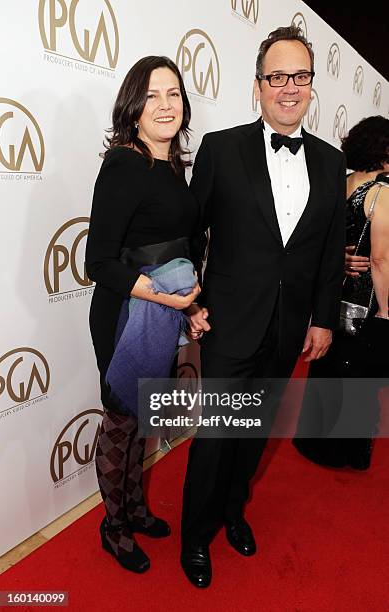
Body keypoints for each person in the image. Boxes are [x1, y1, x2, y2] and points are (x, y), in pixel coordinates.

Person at [180, 25, 346, 588]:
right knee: (218, 434)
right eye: (277, 77)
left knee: (255, 431)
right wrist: (189, 303)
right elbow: (188, 235)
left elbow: (327, 252)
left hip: (288, 327)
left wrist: (323, 316)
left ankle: (233, 512)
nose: (290, 87)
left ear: (311, 84)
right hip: (229, 323)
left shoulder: (331, 161)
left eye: (300, 75)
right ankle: (195, 535)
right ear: (257, 87)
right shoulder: (221, 148)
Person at [85, 56, 200, 573]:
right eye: (152, 95)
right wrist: (166, 298)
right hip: (125, 315)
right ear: (133, 107)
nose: (165, 105)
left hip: (163, 311)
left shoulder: (174, 169)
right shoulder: (125, 164)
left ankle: (134, 508)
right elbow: (98, 262)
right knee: (120, 422)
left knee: (142, 419)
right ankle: (113, 526)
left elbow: (177, 249)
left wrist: (190, 305)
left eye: (173, 93)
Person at [293, 116, 389, 470]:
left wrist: (337, 259)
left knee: (328, 365)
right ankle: (345, 452)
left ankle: (314, 442)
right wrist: (387, 311)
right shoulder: (381, 192)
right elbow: (379, 259)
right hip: (364, 298)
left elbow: (317, 238)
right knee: (359, 374)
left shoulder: (340, 183)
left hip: (330, 294)